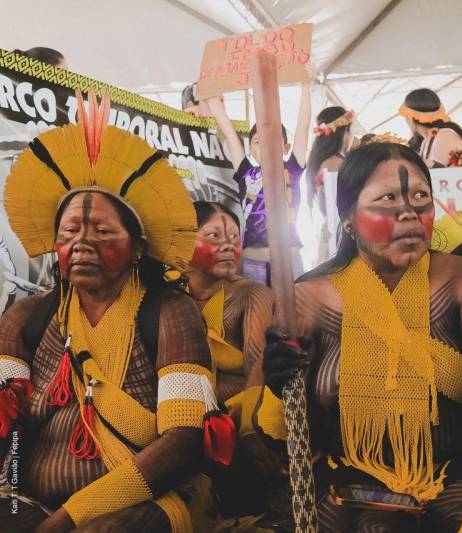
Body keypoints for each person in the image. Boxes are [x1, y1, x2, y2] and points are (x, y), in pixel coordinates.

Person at [251, 142, 462, 532]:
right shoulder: (306, 298)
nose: (409, 211)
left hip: (455, 473)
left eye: (421, 196)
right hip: (352, 480)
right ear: (348, 217)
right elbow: (281, 438)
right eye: (388, 198)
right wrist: (276, 388)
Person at [0, 91, 214, 531]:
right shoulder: (26, 317)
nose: (81, 242)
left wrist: (72, 516)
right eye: (71, 231)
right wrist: (15, 496)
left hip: (147, 501)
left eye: (101, 230)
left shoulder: (171, 313)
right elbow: (6, 423)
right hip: (33, 499)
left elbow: (184, 439)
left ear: (137, 248)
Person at [210, 83, 312, 283]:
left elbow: (303, 125)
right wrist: (214, 100)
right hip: (252, 263)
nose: (265, 144)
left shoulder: (292, 167)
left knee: (298, 313)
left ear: (286, 147)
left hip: (289, 261)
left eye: (272, 138)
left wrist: (306, 85)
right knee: (257, 314)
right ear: (251, 149)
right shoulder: (246, 172)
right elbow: (229, 133)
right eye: (258, 141)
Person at [185, 201, 274, 405]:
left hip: (238, 420)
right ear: (185, 240)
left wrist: (249, 429)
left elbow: (258, 369)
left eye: (234, 237)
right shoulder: (167, 294)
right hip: (177, 415)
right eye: (214, 236)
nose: (228, 246)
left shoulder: (253, 294)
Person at [401, 88, 462, 168]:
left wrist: (434, 166)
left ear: (411, 118)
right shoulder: (426, 140)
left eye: (405, 117)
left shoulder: (445, 136)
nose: (405, 121)